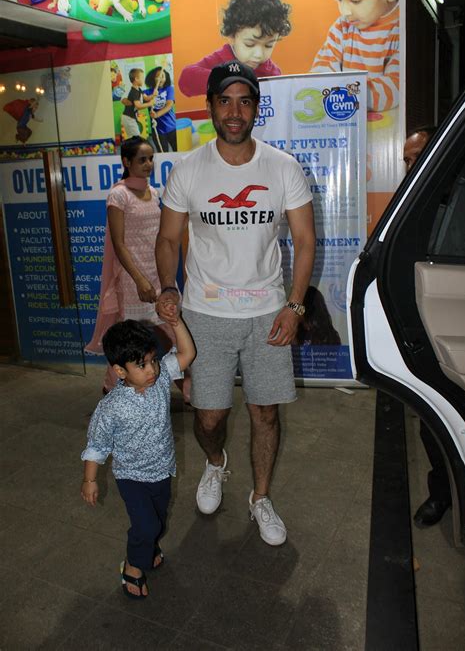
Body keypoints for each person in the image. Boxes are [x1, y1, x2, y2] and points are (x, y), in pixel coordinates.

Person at [155, 60, 315, 546]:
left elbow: (305, 241)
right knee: (208, 418)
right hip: (205, 314)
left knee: (265, 412)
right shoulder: (189, 170)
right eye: (225, 100)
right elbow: (167, 239)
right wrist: (168, 287)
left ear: (256, 109)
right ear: (210, 107)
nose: (234, 110)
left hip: (268, 312)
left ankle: (260, 497)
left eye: (245, 101)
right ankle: (215, 463)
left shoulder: (282, 167)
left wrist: (295, 306)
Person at [81, 318, 195, 599]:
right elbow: (97, 445)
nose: (152, 370)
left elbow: (187, 354)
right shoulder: (111, 407)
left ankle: (149, 547)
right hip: (131, 477)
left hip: (162, 469)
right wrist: (90, 479)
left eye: (153, 361)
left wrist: (176, 322)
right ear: (120, 370)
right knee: (147, 525)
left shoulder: (160, 379)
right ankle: (132, 566)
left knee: (158, 519)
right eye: (141, 365)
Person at [85, 136, 189, 399]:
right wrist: (140, 281)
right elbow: (119, 245)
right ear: (126, 162)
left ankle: (187, 389)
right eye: (142, 159)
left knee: (174, 333)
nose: (149, 163)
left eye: (151, 158)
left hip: (159, 276)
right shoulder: (118, 195)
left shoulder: (154, 193)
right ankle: (111, 390)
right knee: (132, 342)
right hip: (133, 282)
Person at [403, 125, 452, 527]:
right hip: (427, 331)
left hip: (457, 319)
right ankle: (441, 495)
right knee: (433, 419)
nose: (410, 166)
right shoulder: (410, 204)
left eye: (417, 157)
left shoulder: (459, 200)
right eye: (406, 161)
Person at [310, 0, 400, 112]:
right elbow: (320, 73)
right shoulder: (341, 29)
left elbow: (395, 87)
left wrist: (338, 92)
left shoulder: (401, 30)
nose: (344, 11)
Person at [178, 0, 291, 98]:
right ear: (232, 36)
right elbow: (186, 80)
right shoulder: (220, 59)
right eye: (249, 44)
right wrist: (227, 78)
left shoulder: (271, 72)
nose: (258, 54)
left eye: (268, 45)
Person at [144, 66, 177, 153]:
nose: (160, 79)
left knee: (178, 152)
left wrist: (157, 114)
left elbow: (169, 105)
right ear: (153, 78)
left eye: (162, 76)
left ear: (166, 78)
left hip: (172, 128)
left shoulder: (170, 89)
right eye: (157, 76)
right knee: (163, 154)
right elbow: (134, 99)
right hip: (158, 131)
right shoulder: (147, 93)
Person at [121, 68, 157, 139]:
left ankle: (133, 147)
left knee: (133, 137)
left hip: (131, 118)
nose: (143, 79)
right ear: (136, 79)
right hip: (128, 118)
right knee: (136, 137)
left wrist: (153, 95)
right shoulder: (134, 92)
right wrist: (150, 104)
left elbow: (146, 98)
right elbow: (138, 106)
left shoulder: (139, 89)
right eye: (142, 77)